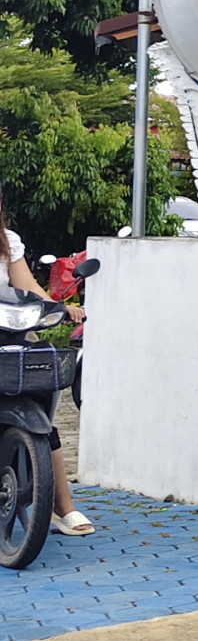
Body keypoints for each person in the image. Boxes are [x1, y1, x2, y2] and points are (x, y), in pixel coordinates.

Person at [1, 189, 91, 536]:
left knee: (43, 405)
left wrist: (58, 307)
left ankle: (62, 506)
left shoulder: (7, 242)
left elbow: (27, 287)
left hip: (9, 335)